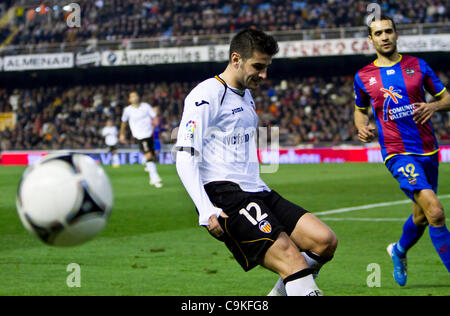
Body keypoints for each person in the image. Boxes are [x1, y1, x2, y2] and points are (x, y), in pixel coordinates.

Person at [175, 28, 337, 296]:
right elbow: (185, 154)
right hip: (226, 194)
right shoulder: (206, 94)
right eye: (258, 67)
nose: (264, 75)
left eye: (266, 67)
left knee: (324, 241)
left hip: (256, 189)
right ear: (236, 59)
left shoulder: (246, 94)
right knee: (292, 260)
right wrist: (205, 209)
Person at [354, 15, 450, 286]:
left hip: (429, 150)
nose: (384, 37)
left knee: (421, 216)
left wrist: (433, 106)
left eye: (388, 31)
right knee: (436, 211)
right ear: (370, 40)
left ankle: (398, 250)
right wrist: (362, 127)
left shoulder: (418, 66)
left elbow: (446, 98)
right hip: (397, 153)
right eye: (378, 33)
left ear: (396, 34)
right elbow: (359, 111)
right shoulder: (363, 76)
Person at [120, 91, 163, 188]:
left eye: (135, 95)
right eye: (132, 96)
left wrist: (155, 122)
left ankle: (146, 162)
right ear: (129, 99)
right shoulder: (128, 110)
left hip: (149, 134)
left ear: (138, 97)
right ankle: (154, 177)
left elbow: (154, 116)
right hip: (140, 136)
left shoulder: (146, 106)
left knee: (152, 154)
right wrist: (121, 134)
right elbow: (123, 122)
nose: (134, 97)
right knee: (149, 155)